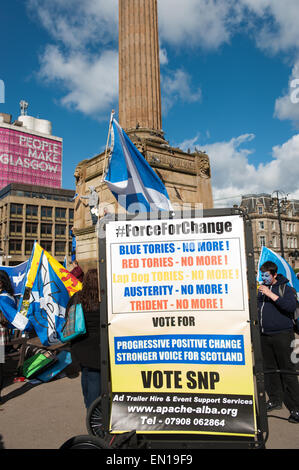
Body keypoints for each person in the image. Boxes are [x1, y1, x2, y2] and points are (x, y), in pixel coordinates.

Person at [258, 261, 299, 423]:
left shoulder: (286, 289)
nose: (263, 278)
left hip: (283, 335)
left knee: (287, 371)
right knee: (270, 370)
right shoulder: (261, 291)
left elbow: (290, 307)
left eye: (266, 275)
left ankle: (296, 407)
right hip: (264, 336)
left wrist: (270, 294)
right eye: (262, 275)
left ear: (274, 275)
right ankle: (275, 400)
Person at [66, 269, 101, 409]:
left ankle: (89, 408)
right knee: (95, 378)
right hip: (98, 345)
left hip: (80, 344)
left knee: (86, 374)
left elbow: (68, 317)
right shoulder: (104, 298)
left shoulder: (77, 297)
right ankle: (95, 415)